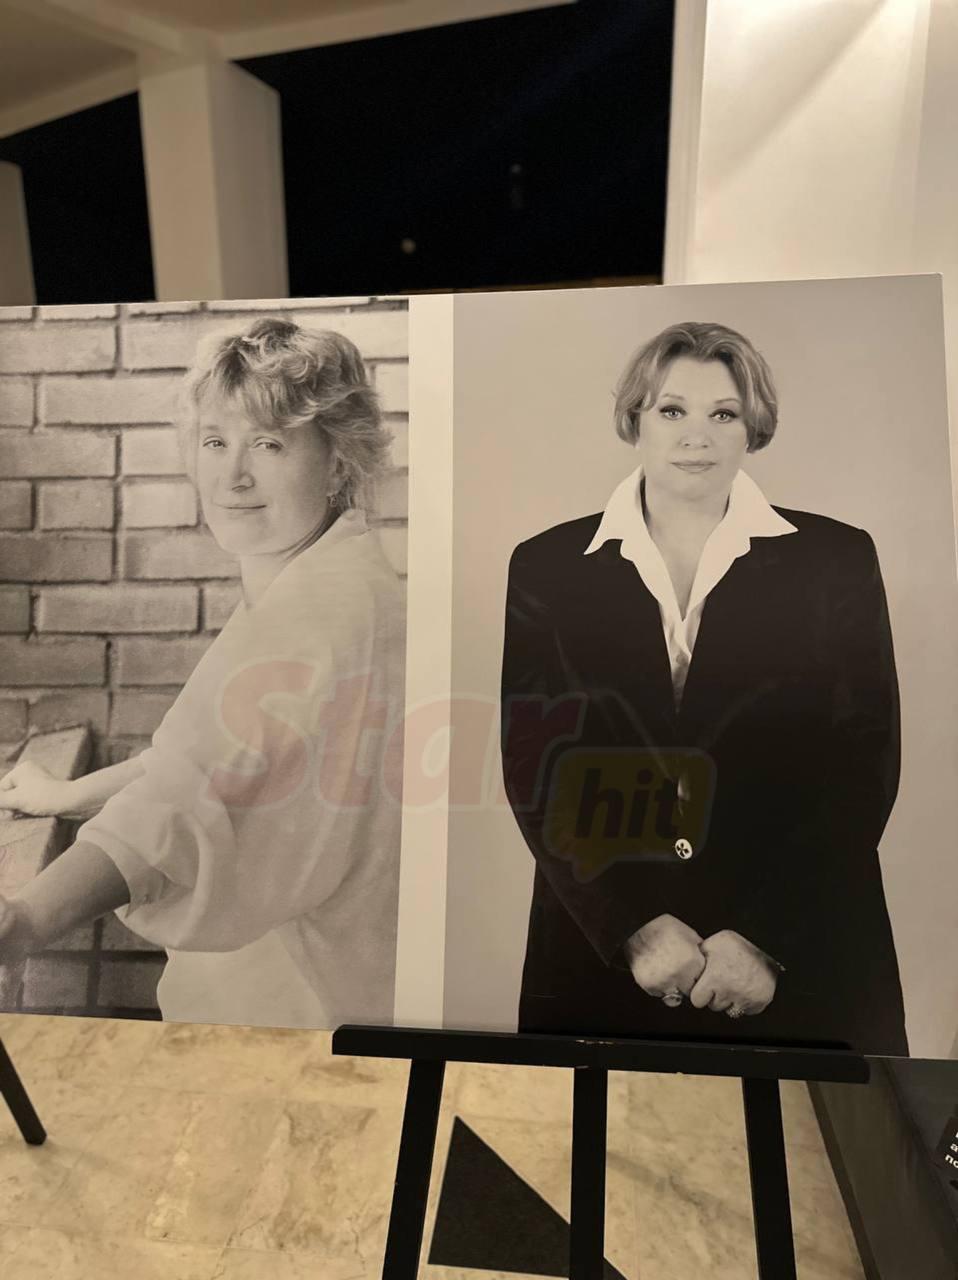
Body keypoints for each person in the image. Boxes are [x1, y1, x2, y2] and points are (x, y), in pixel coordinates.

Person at [500, 321, 908, 1054]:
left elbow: (862, 766)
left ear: (753, 426)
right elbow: (535, 767)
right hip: (605, 961)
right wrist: (630, 928)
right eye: (672, 410)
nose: (698, 436)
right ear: (636, 419)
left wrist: (765, 937)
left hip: (801, 953)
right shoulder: (545, 565)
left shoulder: (838, 559)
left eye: (724, 413)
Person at [0, 317, 406, 1030]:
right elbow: (223, 756)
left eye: (269, 444)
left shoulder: (318, 616)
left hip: (294, 1026)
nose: (233, 476)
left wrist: (25, 920)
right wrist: (67, 795)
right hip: (314, 1002)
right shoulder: (331, 578)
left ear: (340, 462)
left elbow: (189, 798)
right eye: (216, 442)